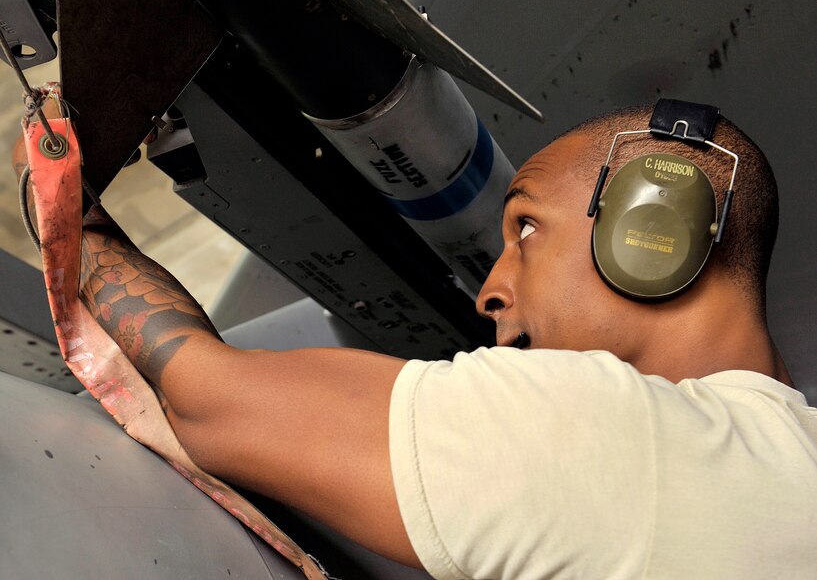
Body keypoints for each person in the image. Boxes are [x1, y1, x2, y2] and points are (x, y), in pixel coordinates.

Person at [14, 102, 817, 579]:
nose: (492, 288)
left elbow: (209, 400)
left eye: (525, 226)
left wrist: (67, 208)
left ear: (651, 232)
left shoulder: (617, 434)